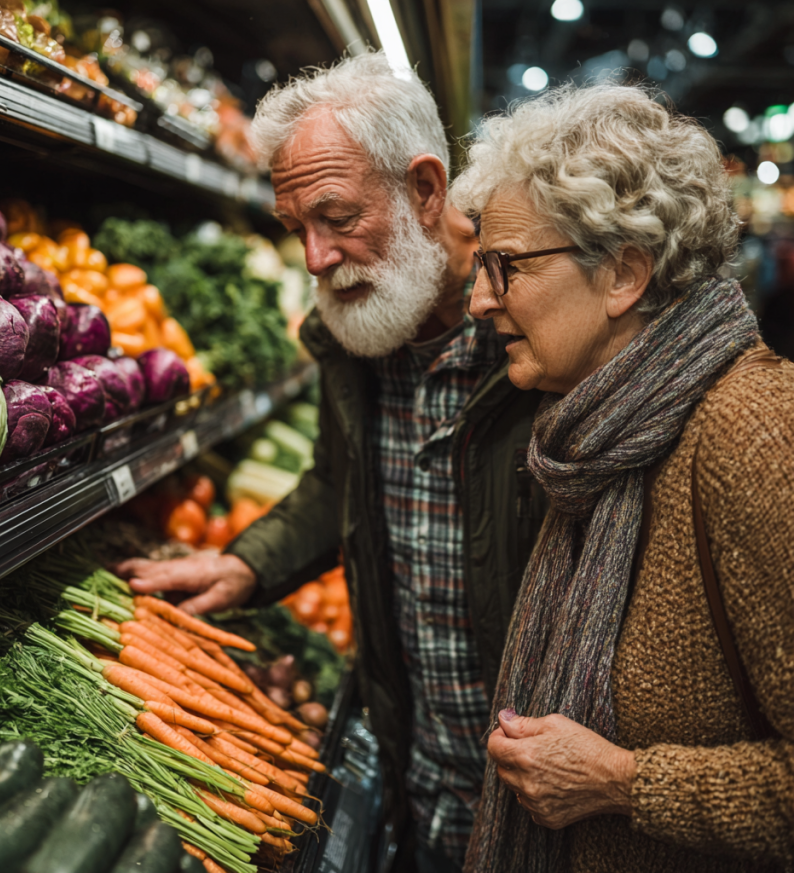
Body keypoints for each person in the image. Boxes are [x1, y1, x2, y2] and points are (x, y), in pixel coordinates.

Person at [116, 52, 546, 872]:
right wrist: (247, 564)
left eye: (336, 216)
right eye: (294, 229)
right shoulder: (358, 330)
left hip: (538, 791)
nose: (314, 257)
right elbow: (340, 482)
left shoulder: (541, 333)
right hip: (419, 763)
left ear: (426, 190)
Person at [448, 82, 794, 873]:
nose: (478, 301)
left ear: (622, 275)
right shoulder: (594, 436)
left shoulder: (757, 436)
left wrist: (622, 782)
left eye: (504, 266)